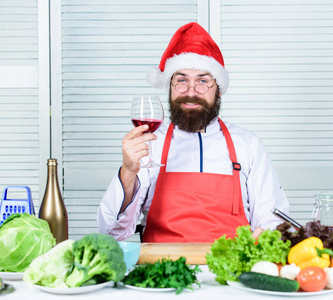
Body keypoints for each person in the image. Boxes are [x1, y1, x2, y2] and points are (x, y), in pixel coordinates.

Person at [97, 22, 289, 243]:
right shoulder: (149, 145)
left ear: (219, 91)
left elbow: (274, 222)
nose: (191, 92)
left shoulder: (248, 145)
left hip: (231, 274)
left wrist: (268, 235)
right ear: (169, 87)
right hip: (163, 272)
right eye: (181, 80)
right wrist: (128, 171)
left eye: (203, 81)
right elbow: (111, 232)